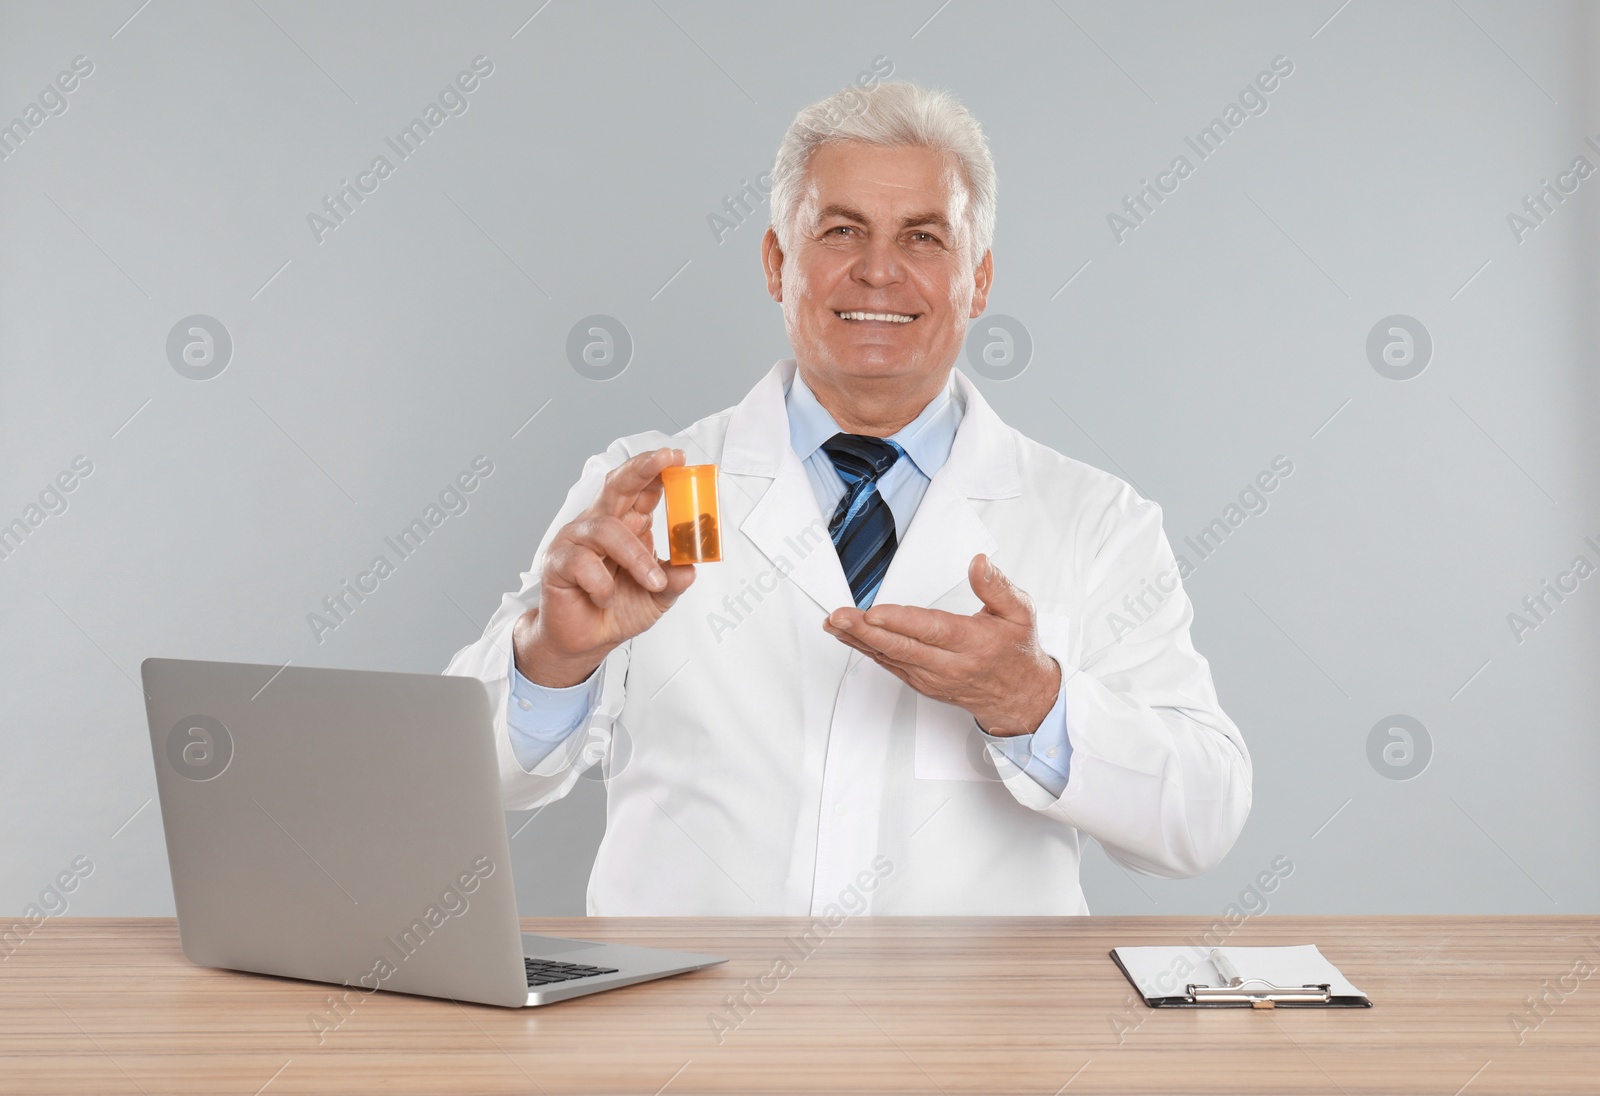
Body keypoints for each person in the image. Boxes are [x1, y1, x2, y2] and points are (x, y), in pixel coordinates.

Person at [446, 81, 1251, 915]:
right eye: (841, 231)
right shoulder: (657, 491)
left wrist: (1030, 703)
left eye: (923, 238)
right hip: (684, 1029)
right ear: (776, 264)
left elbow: (1203, 817)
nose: (878, 270)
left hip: (975, 1035)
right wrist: (553, 660)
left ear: (977, 282)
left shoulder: (1091, 519)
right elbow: (470, 776)